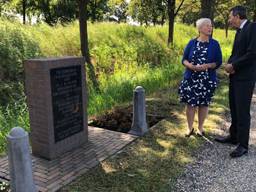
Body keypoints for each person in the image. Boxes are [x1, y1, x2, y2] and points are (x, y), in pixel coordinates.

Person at [215, 6, 256, 158]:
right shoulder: (239, 31)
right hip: (235, 76)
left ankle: (243, 145)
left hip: (245, 78)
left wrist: (234, 65)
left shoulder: (252, 28)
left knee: (243, 111)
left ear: (238, 16)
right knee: (234, 107)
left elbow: (252, 54)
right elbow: (236, 53)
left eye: (230, 17)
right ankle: (234, 137)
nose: (229, 20)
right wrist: (230, 63)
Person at [178, 18, 222, 137]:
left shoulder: (215, 44)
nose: (210, 28)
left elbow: (218, 62)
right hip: (191, 79)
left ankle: (200, 128)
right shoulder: (192, 43)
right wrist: (190, 66)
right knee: (190, 104)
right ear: (200, 28)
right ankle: (189, 128)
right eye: (207, 26)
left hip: (207, 79)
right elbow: (184, 60)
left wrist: (207, 66)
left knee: (203, 104)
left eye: (211, 26)